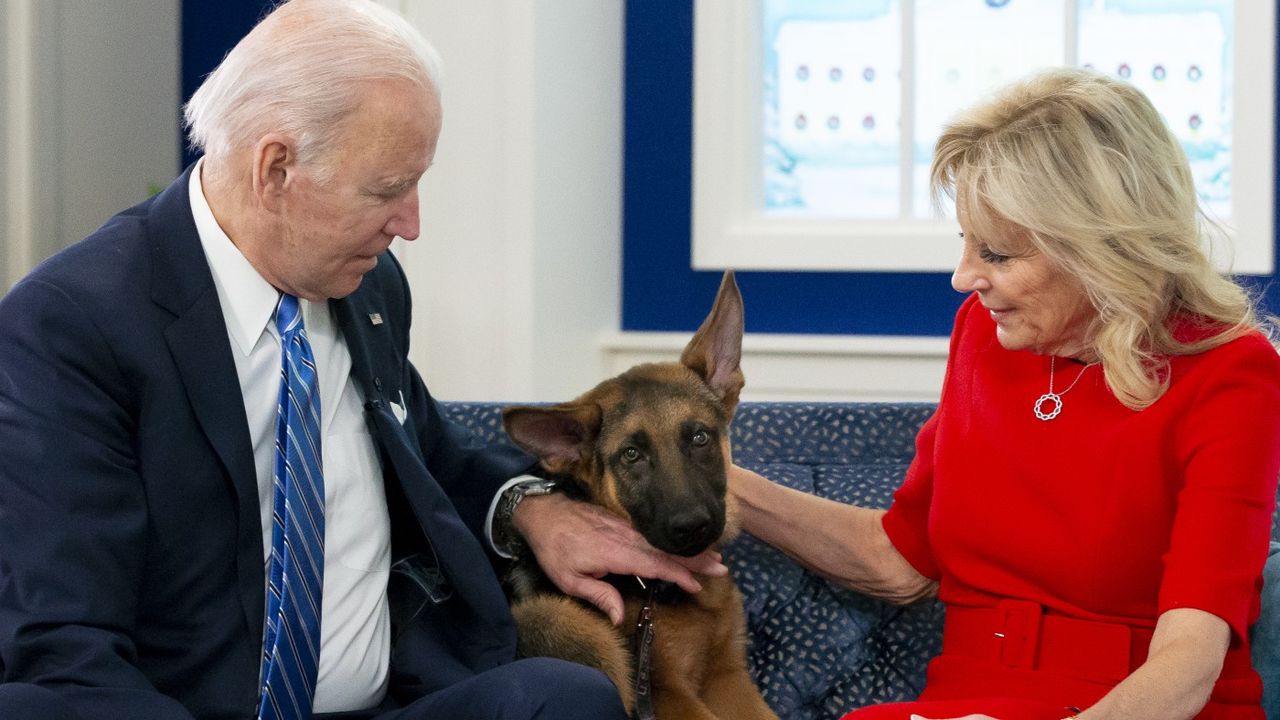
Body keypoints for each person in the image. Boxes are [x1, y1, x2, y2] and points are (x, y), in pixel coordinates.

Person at [0, 2, 725, 719]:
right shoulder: (74, 325)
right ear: (276, 168)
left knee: (564, 698)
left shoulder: (366, 285)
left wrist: (530, 510)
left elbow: (432, 456)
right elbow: (67, 643)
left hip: (388, 705)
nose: (411, 223)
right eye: (387, 189)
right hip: (181, 710)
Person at [729, 67, 1280, 720]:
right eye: (965, 243)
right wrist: (717, 484)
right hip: (961, 704)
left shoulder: (1231, 371)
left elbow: (1189, 662)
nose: (965, 278)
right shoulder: (984, 335)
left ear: (1101, 248)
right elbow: (902, 559)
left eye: (996, 254)